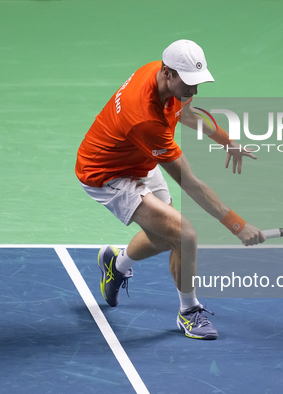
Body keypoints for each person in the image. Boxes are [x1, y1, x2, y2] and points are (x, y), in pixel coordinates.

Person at [75, 39, 265, 340]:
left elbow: (187, 113)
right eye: (189, 83)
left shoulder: (161, 76)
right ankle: (189, 312)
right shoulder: (145, 120)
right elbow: (189, 182)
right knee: (184, 234)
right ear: (168, 73)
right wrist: (236, 225)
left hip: (138, 158)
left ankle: (117, 262)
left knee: (166, 238)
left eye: (197, 82)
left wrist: (226, 140)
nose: (194, 90)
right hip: (106, 173)